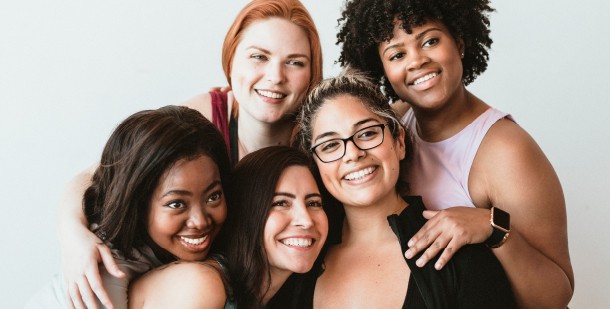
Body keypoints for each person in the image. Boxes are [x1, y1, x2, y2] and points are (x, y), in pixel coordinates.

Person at [56, 1, 323, 307]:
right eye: (258, 57)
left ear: (313, 72)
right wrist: (72, 235)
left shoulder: (319, 137)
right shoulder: (203, 118)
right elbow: (97, 177)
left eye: (295, 62)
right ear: (231, 59)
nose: (275, 75)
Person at [336, 0, 574, 307]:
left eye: (431, 41)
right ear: (382, 70)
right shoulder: (393, 127)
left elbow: (556, 295)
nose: (416, 61)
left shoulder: (506, 150)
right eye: (397, 54)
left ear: (459, 43)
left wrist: (492, 228)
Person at [293, 69, 515, 308]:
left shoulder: (458, 254)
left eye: (367, 133)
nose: (353, 154)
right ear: (315, 164)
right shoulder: (299, 258)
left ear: (399, 142)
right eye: (330, 145)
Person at [27, 106, 232, 309]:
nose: (200, 220)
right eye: (176, 204)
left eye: (213, 196)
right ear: (138, 205)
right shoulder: (106, 266)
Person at [128, 146, 328, 309]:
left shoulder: (270, 296)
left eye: (314, 203)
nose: (306, 220)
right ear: (248, 212)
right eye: (281, 203)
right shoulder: (201, 285)